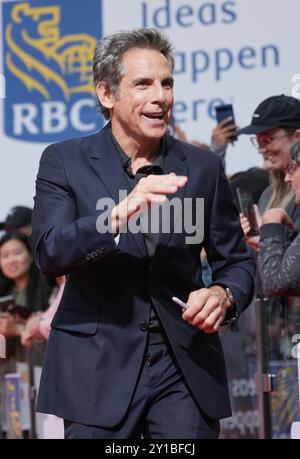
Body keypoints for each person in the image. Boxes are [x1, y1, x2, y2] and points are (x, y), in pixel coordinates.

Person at [31, 27, 255, 439]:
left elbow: (237, 262)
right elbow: (50, 252)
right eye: (143, 84)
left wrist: (223, 295)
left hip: (185, 372)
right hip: (96, 376)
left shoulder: (202, 167)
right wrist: (115, 217)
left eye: (167, 83)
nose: (161, 96)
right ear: (107, 94)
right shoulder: (64, 161)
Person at [258, 139, 300, 296]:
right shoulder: (267, 195)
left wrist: (271, 225)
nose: (288, 178)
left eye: (293, 168)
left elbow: (275, 283)